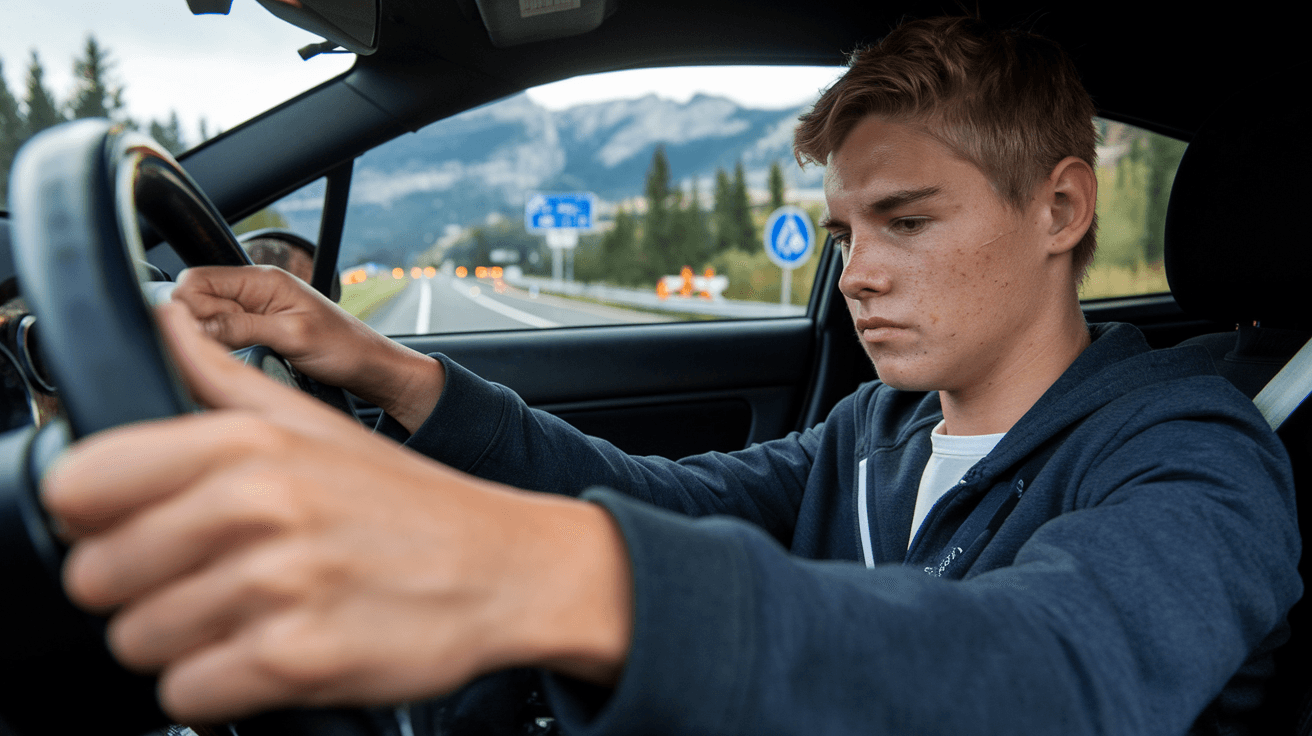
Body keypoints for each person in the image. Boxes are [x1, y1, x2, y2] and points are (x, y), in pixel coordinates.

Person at [42, 16, 1300, 735]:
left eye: (906, 223)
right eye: (847, 232)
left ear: (1060, 207)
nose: (857, 274)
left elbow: (1055, 669)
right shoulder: (880, 429)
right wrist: (381, 366)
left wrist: (544, 575)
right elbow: (659, 496)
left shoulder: (1191, 451)